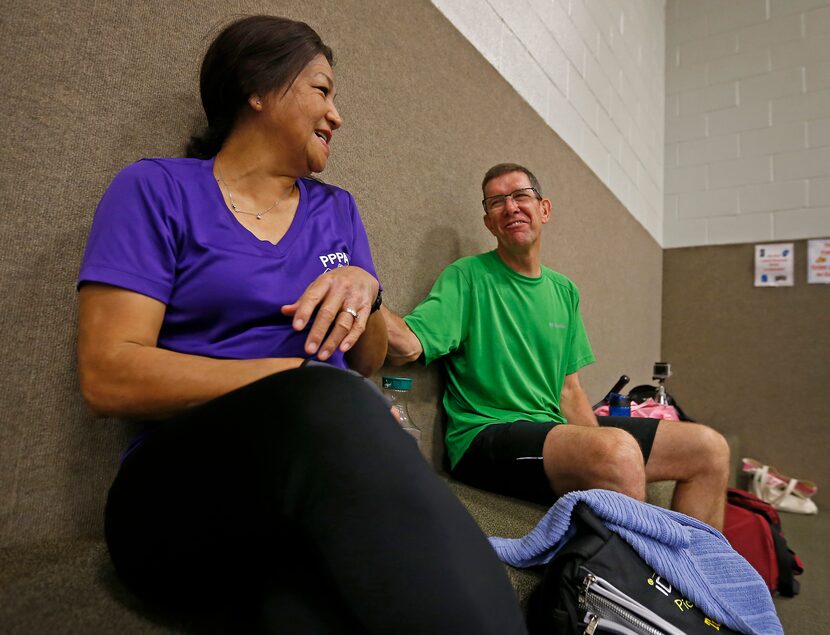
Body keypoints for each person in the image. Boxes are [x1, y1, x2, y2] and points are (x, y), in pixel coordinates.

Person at [77, 17, 527, 634]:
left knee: (312, 611)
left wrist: (367, 294)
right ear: (257, 87)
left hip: (308, 490)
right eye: (322, 90)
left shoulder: (336, 209)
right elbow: (108, 375)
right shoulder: (156, 189)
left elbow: (365, 361)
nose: (336, 115)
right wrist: (296, 377)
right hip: (178, 490)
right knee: (332, 400)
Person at [382, 163, 731, 531]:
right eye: (497, 201)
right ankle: (638, 586)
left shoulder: (564, 291)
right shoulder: (467, 276)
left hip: (548, 426)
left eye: (520, 195)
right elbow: (406, 345)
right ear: (488, 222)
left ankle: (691, 584)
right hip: (483, 436)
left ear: (544, 209)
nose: (510, 207)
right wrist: (365, 296)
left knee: (708, 448)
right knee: (619, 453)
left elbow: (570, 391)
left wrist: (597, 446)